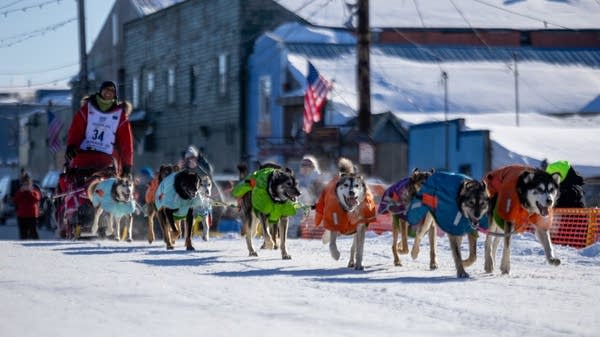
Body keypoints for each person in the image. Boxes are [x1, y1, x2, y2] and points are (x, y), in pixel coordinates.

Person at [65, 81, 133, 178]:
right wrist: (71, 145)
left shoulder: (120, 116)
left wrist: (127, 166)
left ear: (115, 95)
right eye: (106, 90)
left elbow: (126, 144)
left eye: (112, 91)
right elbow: (76, 130)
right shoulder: (87, 109)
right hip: (83, 158)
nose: (108, 93)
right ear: (100, 91)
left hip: (106, 161)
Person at [289, 155, 325, 238]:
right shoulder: (299, 178)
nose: (304, 167)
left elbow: (319, 196)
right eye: (303, 165)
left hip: (314, 208)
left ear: (313, 167)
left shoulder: (317, 178)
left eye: (307, 165)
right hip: (302, 208)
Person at [13, 173, 41, 240]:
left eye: (27, 184)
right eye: (24, 185)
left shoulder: (34, 192)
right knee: (23, 233)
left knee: (33, 232)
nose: (26, 186)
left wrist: (30, 192)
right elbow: (15, 200)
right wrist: (21, 192)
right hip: (22, 216)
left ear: (31, 185)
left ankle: (36, 245)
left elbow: (36, 199)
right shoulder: (19, 192)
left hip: (32, 215)